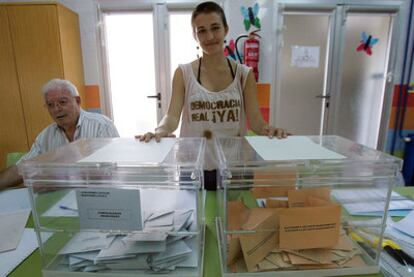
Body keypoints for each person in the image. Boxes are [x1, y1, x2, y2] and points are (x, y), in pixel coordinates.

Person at [137, 1, 287, 189]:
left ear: (226, 29)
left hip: (234, 167)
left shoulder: (244, 74)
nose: (209, 36)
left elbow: (256, 121)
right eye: (201, 31)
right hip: (193, 166)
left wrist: (269, 129)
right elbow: (172, 116)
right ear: (195, 35)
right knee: (195, 216)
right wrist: (160, 130)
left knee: (235, 216)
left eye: (215, 28)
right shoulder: (183, 73)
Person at [0, 78, 119, 190]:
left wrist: (57, 179)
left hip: (99, 196)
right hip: (60, 201)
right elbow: (23, 168)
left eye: (62, 102)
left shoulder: (101, 126)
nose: (56, 109)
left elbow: (112, 171)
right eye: (50, 105)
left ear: (77, 101)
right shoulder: (45, 136)